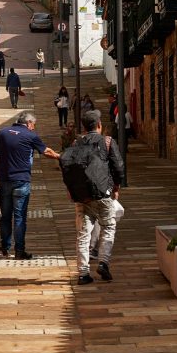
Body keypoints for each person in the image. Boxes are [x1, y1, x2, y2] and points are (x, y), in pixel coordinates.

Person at [0, 110, 60, 259]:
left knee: (5, 216)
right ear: (29, 123)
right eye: (34, 125)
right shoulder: (31, 136)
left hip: (4, 180)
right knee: (19, 217)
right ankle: (19, 251)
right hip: (21, 181)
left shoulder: (2, 133)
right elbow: (46, 151)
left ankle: (5, 248)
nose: (34, 128)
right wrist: (60, 157)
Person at [69, 109, 124, 284]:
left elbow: (69, 168)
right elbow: (118, 167)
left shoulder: (76, 143)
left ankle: (83, 273)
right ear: (99, 125)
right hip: (103, 194)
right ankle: (103, 262)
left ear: (84, 128)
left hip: (82, 196)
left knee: (83, 234)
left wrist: (72, 191)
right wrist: (116, 187)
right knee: (108, 226)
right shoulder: (107, 142)